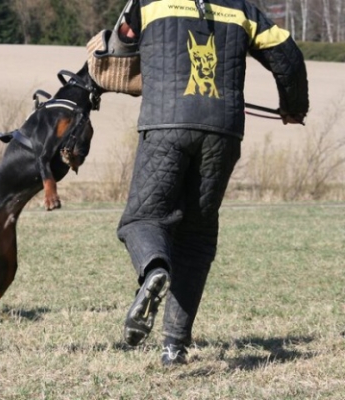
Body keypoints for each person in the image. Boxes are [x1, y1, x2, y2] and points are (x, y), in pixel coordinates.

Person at [114, 0, 308, 365]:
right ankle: (174, 345)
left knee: (141, 220)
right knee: (197, 237)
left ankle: (155, 270)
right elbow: (288, 55)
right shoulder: (242, 10)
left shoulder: (147, 2)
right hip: (223, 130)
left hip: (166, 123)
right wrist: (293, 106)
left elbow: (120, 45)